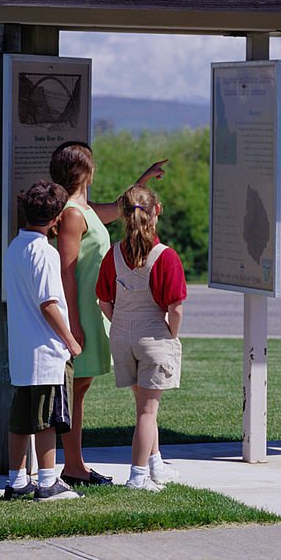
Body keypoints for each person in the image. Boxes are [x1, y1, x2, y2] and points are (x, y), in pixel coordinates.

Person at [49, 142, 167, 486]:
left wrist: (144, 179)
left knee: (81, 386)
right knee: (76, 387)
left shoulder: (81, 208)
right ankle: (72, 465)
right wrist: (71, 323)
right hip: (80, 312)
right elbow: (66, 272)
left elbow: (120, 208)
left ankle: (75, 463)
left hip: (88, 311)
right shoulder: (72, 213)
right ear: (85, 172)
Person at [96, 185, 186, 492]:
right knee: (149, 411)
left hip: (122, 336)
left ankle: (156, 464)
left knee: (143, 407)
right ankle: (137, 475)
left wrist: (121, 324)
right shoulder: (166, 256)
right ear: (156, 211)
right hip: (153, 337)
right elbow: (175, 307)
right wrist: (171, 335)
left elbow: (104, 301)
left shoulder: (114, 254)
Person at [3, 180, 84, 502]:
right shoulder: (45, 253)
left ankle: (17, 480)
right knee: (47, 419)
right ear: (57, 218)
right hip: (46, 350)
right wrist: (70, 340)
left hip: (23, 349)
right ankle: (48, 482)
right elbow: (49, 303)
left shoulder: (16, 247)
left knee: (21, 420)